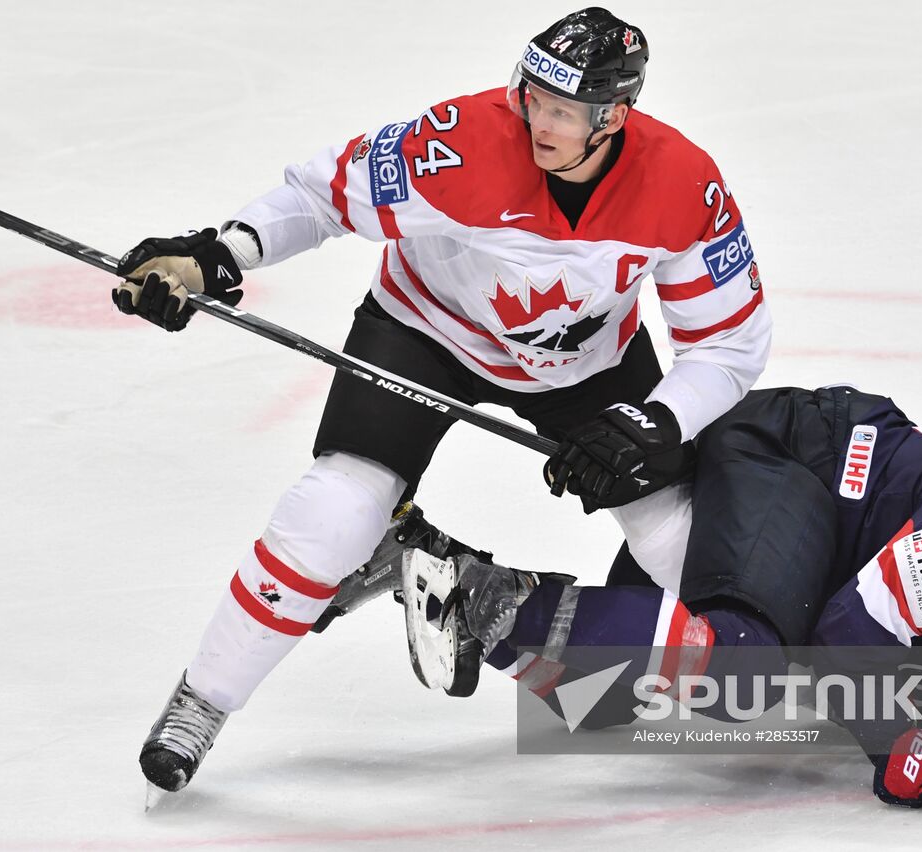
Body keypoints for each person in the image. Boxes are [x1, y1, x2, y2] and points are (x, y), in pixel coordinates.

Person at [113, 7, 773, 794]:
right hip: (425, 333)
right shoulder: (458, 143)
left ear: (614, 117)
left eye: (563, 111)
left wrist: (654, 420)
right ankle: (202, 703)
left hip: (587, 365)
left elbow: (728, 342)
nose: (539, 122)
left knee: (681, 547)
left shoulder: (681, 184)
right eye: (532, 97)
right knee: (333, 514)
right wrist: (215, 256)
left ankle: (814, 673)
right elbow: (322, 195)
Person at [395, 385, 922, 815]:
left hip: (818, 536)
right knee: (744, 667)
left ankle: (440, 568)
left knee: (600, 698)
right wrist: (904, 749)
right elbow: (840, 643)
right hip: (792, 462)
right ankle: (477, 599)